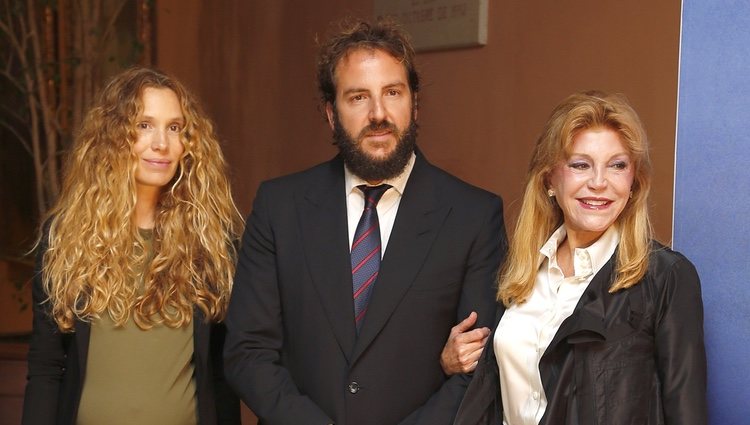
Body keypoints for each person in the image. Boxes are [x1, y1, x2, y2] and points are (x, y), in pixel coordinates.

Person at [223, 18, 508, 425]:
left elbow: (481, 368)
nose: (379, 114)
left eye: (392, 92)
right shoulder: (279, 207)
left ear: (414, 103)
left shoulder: (473, 216)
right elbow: (247, 353)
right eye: (358, 97)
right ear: (330, 113)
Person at [453, 91, 707, 425]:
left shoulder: (666, 277)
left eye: (617, 166)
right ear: (550, 180)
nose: (599, 183)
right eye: (580, 165)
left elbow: (685, 414)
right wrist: (450, 362)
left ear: (633, 183)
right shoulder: (519, 273)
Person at [22, 67, 243, 425]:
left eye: (175, 128)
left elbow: (220, 375)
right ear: (112, 136)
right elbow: (47, 368)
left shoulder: (212, 242)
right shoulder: (65, 238)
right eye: (144, 125)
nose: (161, 143)